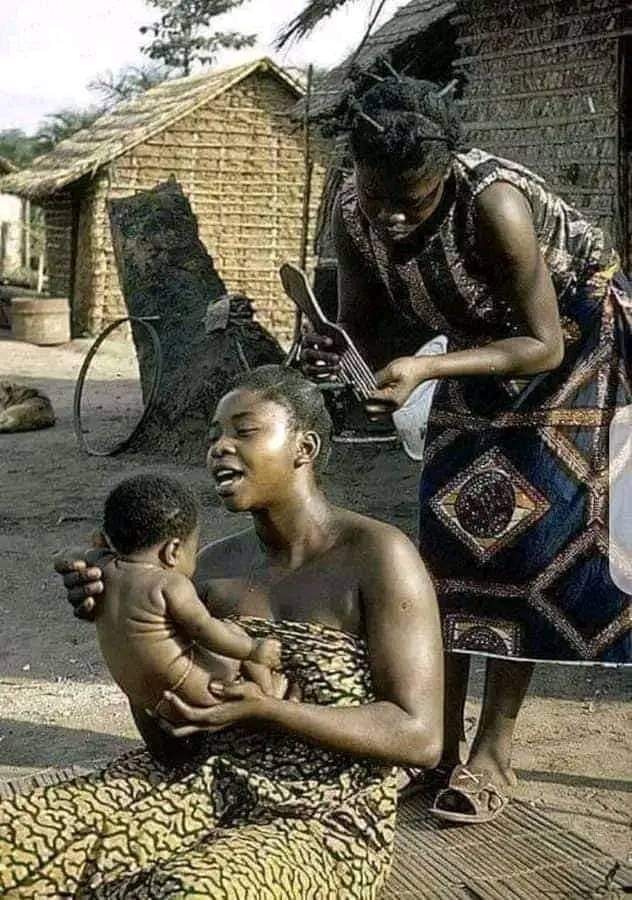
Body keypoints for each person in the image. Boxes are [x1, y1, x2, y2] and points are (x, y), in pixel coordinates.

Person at [301, 74, 632, 823]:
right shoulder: (355, 209)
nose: (389, 217)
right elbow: (369, 325)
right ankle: (434, 745)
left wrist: (427, 365)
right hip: (478, 350)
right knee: (450, 547)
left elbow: (541, 341)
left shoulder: (494, 203)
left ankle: (493, 753)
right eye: (376, 195)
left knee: (524, 547)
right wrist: (342, 356)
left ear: (445, 171)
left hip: (571, 347)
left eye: (410, 202)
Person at [0, 365, 443, 899]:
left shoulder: (378, 555)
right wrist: (123, 635)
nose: (219, 447)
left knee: (192, 891)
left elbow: (420, 738)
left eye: (244, 431)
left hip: (322, 815)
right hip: (195, 786)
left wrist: (271, 710)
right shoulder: (203, 570)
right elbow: (171, 748)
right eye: (214, 435)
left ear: (304, 446)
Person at [96, 474, 281, 720]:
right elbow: (204, 629)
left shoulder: (103, 572)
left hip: (151, 702)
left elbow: (69, 555)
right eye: (192, 550)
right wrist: (254, 649)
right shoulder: (168, 584)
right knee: (233, 630)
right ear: (172, 551)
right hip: (197, 691)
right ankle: (269, 692)